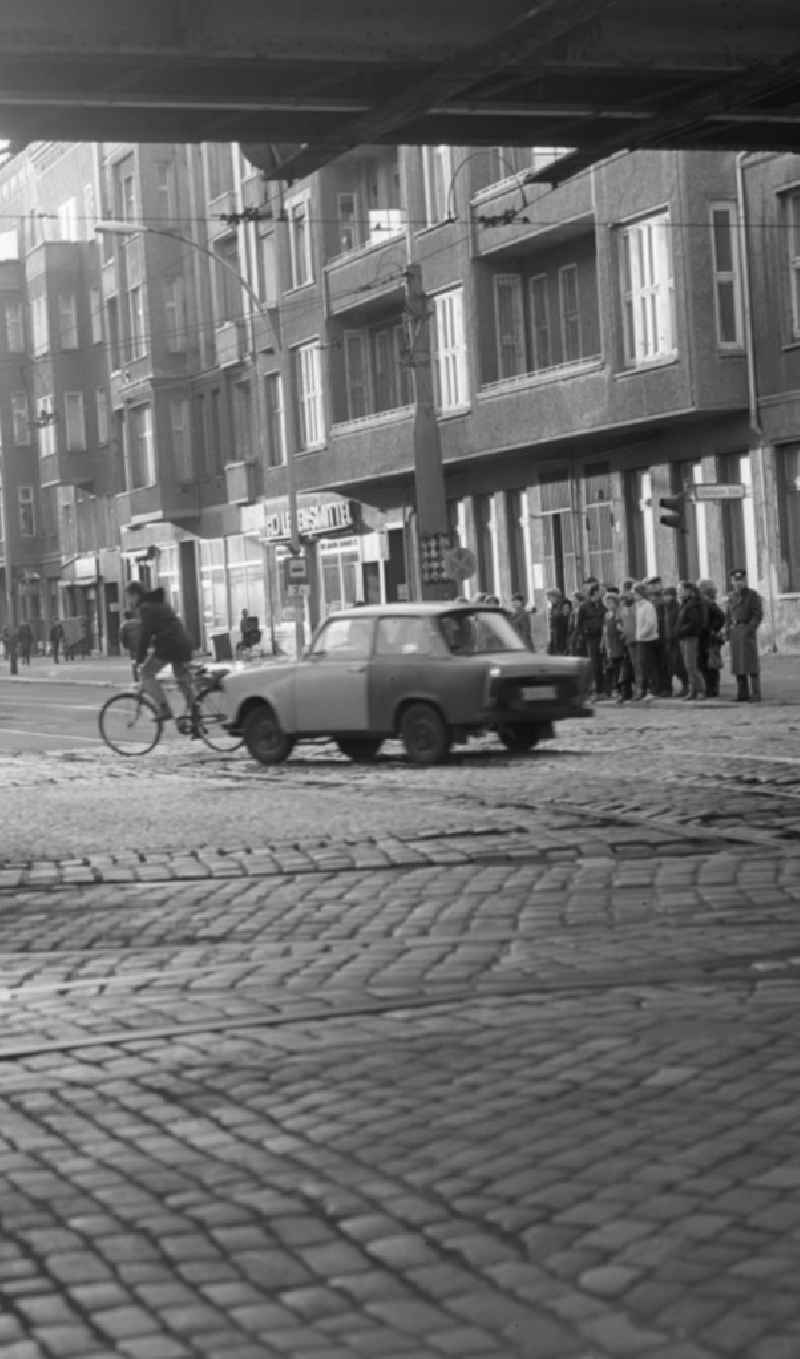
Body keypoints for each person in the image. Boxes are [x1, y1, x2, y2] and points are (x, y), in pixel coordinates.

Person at [125, 581, 195, 724]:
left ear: (135, 595)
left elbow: (145, 634)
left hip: (170, 646)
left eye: (129, 598)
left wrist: (139, 658)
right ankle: (196, 717)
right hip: (183, 643)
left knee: (145, 673)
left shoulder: (145, 608)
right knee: (182, 680)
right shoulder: (158, 603)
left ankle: (164, 708)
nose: (130, 602)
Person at [726, 569, 763, 701]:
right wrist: (727, 631)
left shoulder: (752, 596)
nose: (738, 583)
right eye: (736, 581)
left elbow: (757, 614)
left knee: (751, 663)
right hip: (735, 631)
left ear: (745, 580)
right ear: (731, 582)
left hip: (747, 630)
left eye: (741, 580)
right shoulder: (731, 597)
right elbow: (728, 615)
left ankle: (756, 693)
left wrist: (750, 628)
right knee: (738, 665)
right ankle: (742, 693)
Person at [676, 581, 706, 700]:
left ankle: (700, 690)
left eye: (681, 590)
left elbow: (694, 622)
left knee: (691, 665)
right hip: (683, 638)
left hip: (690, 637)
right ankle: (693, 690)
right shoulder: (685, 603)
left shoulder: (694, 604)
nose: (679, 592)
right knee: (687, 666)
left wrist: (681, 630)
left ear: (688, 591)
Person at [632, 582, 661, 702]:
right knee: (641, 666)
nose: (633, 595)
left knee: (649, 666)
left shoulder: (648, 606)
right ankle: (643, 690)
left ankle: (652, 690)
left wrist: (641, 634)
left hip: (648, 640)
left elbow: (651, 623)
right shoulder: (638, 606)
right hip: (641, 640)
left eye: (635, 593)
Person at [698, 579, 725, 699]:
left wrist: (712, 629)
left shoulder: (708, 603)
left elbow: (720, 617)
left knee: (710, 665)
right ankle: (710, 689)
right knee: (706, 664)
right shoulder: (705, 602)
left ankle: (712, 689)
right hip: (705, 638)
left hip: (709, 638)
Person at [577, 583, 606, 696]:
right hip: (591, 639)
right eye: (601, 591)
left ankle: (604, 689)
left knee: (603, 663)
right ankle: (597, 689)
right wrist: (584, 633)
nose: (603, 593)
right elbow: (580, 624)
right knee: (595, 664)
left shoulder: (603, 605)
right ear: (595, 592)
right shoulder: (584, 607)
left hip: (603, 637)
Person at [602, 594, 626, 703]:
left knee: (621, 667)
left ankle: (623, 691)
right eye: (607, 602)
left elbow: (622, 628)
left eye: (611, 602)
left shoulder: (619, 613)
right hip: (611, 644)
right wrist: (605, 645)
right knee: (615, 668)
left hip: (619, 643)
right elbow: (605, 631)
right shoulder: (607, 615)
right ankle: (617, 689)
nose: (609, 605)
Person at [546, 589, 570, 656]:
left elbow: (566, 620)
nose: (549, 600)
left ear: (555, 597)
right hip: (555, 635)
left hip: (562, 636)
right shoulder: (553, 606)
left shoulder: (564, 605)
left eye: (550, 598)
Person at [120, 609, 142, 679]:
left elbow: (122, 637)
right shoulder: (139, 623)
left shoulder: (124, 625)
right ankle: (143, 673)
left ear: (125, 617)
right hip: (142, 644)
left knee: (133, 660)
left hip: (132, 646)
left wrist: (125, 646)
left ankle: (136, 675)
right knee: (143, 659)